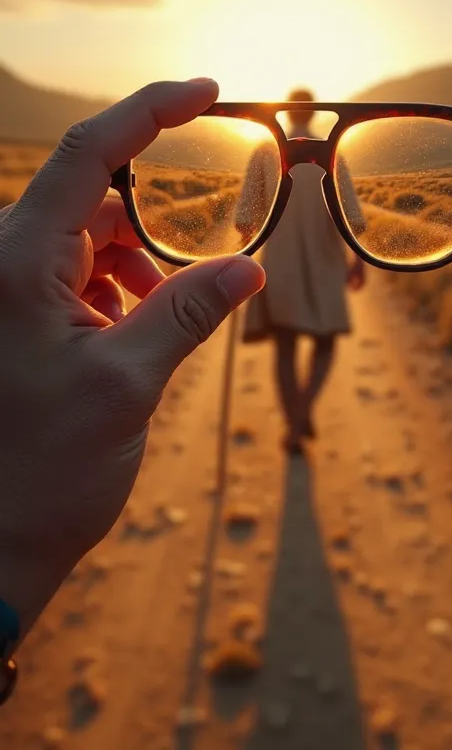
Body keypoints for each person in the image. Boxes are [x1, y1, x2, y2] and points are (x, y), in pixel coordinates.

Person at [0, 78, 265, 693]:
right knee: (312, 340)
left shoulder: (260, 155)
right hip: (319, 271)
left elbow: (253, 204)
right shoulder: (262, 160)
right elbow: (264, 203)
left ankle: (296, 403)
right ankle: (300, 410)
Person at [235, 89, 366, 455]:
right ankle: (303, 411)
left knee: (286, 346)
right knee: (325, 341)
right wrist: (357, 260)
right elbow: (351, 213)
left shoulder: (266, 149)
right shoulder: (331, 150)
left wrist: (241, 254)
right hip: (327, 260)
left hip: (281, 262)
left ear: (289, 112)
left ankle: (294, 422)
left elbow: (246, 216)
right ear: (312, 112)